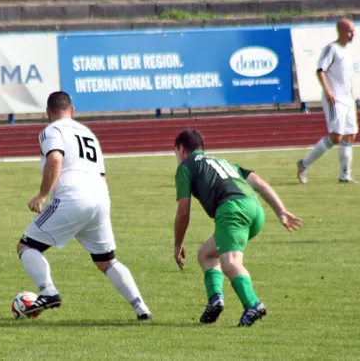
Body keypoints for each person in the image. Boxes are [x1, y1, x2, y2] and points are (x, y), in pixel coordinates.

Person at [16, 91, 151, 320]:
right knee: (107, 261)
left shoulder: (52, 130)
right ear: (73, 110)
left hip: (72, 197)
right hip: (100, 198)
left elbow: (55, 158)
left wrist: (42, 194)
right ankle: (141, 308)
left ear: (48, 112)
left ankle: (48, 292)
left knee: (26, 247)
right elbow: (102, 175)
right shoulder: (89, 133)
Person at [173, 129, 302, 327]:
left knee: (230, 263)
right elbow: (258, 182)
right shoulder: (223, 162)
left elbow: (183, 212)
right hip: (255, 209)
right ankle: (215, 300)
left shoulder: (185, 167)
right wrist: (281, 211)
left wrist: (178, 244)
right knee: (206, 254)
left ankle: (253, 304)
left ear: (181, 149)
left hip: (232, 209)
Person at [297, 18, 358, 184]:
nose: (353, 33)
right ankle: (304, 164)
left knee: (350, 135)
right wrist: (328, 90)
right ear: (343, 31)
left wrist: (352, 98)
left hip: (347, 99)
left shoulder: (348, 52)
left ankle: (345, 175)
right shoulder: (331, 48)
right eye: (351, 30)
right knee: (336, 137)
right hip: (335, 98)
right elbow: (320, 70)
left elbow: (347, 78)